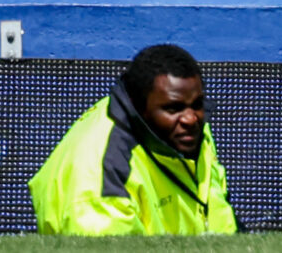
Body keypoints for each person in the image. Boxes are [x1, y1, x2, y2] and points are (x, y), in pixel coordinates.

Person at [31, 44, 235, 233]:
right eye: (173, 108)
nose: (191, 119)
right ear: (137, 106)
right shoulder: (102, 181)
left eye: (197, 104)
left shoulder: (183, 131)